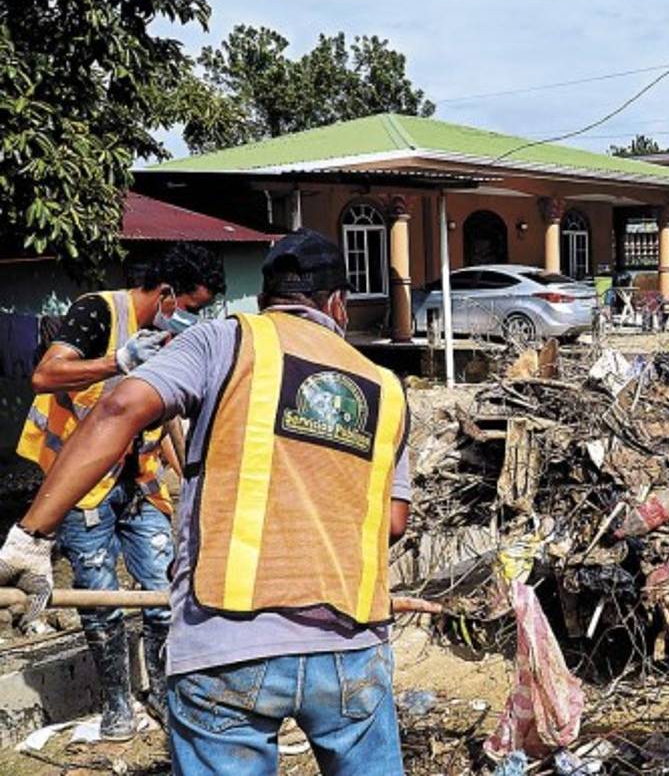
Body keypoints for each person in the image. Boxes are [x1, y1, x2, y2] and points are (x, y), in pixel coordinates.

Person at [0, 228, 411, 773]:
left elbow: (120, 410)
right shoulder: (384, 385)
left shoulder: (227, 340)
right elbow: (393, 522)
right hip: (351, 646)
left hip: (228, 643)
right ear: (338, 303)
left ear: (267, 302)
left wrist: (32, 536)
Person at [10, 243, 224, 739]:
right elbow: (45, 375)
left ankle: (161, 696)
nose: (193, 320)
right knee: (100, 599)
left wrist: (193, 474)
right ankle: (116, 703)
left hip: (140, 481)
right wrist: (119, 361)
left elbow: (166, 416)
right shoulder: (99, 312)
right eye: (191, 308)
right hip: (83, 489)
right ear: (168, 294)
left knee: (163, 591)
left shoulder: (166, 339)